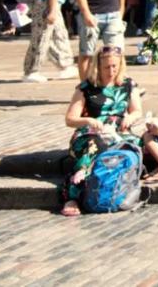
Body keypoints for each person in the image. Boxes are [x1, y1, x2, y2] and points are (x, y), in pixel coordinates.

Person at [60, 45, 142, 216]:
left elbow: (137, 111)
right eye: (106, 67)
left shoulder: (128, 84)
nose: (111, 71)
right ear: (97, 67)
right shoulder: (86, 88)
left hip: (117, 130)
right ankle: (73, 194)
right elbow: (70, 119)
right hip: (90, 132)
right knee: (94, 146)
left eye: (115, 66)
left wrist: (130, 118)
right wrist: (88, 120)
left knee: (135, 145)